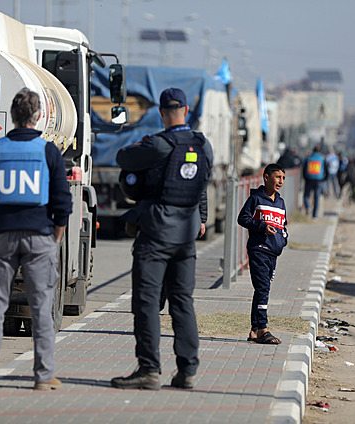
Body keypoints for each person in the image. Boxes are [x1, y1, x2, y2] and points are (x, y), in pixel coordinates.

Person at [0, 88, 72, 391]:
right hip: (40, 236)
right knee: (41, 307)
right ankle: (43, 377)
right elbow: (62, 202)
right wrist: (55, 236)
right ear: (39, 116)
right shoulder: (48, 151)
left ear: (12, 117)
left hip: (0, 236)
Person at [110, 88, 213, 391]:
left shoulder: (159, 144)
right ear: (186, 110)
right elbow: (201, 184)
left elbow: (122, 157)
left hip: (155, 234)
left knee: (147, 302)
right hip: (186, 237)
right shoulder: (203, 145)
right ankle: (188, 371)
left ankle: (149, 370)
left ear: (161, 113)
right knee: (182, 302)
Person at [237, 163, 288, 345]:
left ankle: (254, 331)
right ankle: (263, 328)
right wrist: (261, 226)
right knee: (263, 288)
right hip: (258, 250)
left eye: (283, 178)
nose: (280, 181)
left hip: (273, 253)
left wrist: (283, 239)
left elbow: (284, 225)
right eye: (277, 177)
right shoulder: (256, 199)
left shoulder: (280, 202)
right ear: (266, 177)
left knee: (263, 289)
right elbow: (242, 218)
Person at [302, 146, 326, 218]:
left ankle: (308, 206)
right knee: (316, 198)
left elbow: (303, 169)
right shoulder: (322, 159)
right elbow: (326, 169)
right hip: (318, 180)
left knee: (306, 196)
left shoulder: (308, 158)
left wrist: (305, 178)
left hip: (309, 179)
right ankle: (314, 215)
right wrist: (324, 178)